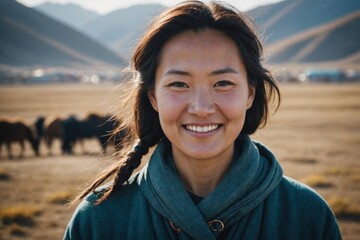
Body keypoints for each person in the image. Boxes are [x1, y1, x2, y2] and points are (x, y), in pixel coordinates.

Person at [64, 1, 342, 239]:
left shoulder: (307, 216)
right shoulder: (98, 221)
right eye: (179, 84)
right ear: (153, 97)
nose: (200, 108)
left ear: (250, 94)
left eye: (222, 83)